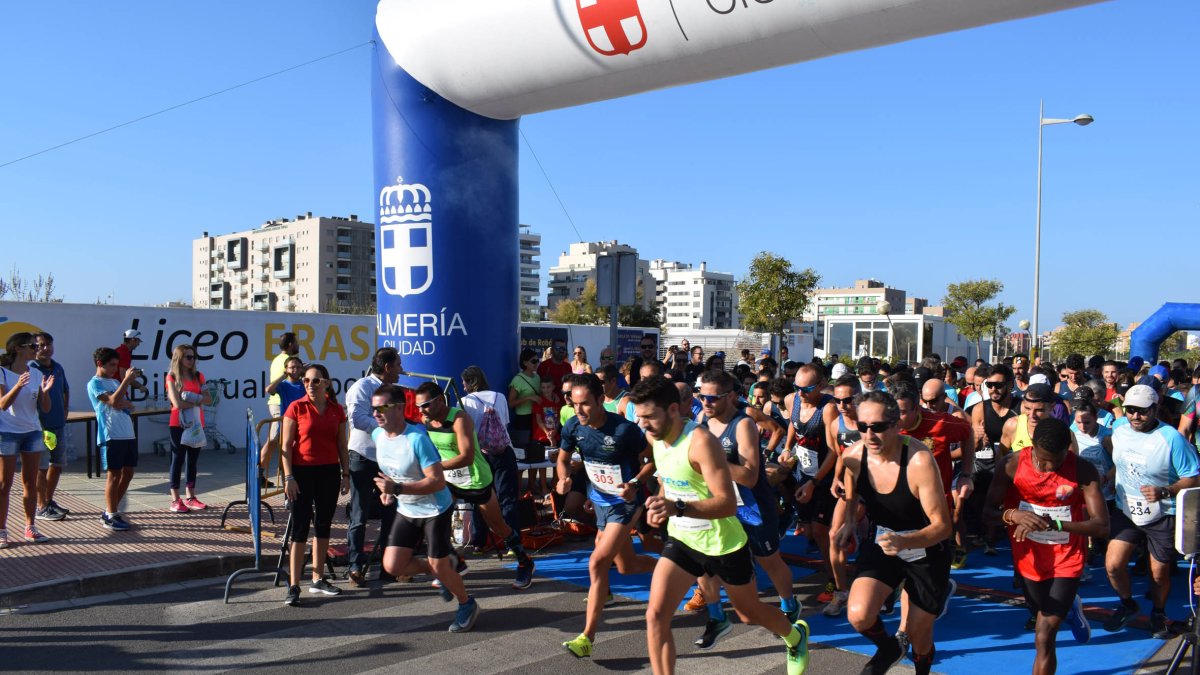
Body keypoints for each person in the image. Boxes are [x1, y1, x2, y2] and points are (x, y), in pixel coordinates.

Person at [634, 375, 810, 675]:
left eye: (650, 417)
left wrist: (677, 507)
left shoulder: (700, 442)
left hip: (723, 542)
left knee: (749, 613)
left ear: (674, 410)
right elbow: (667, 478)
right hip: (683, 540)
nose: (643, 425)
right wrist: (660, 502)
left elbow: (727, 503)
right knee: (656, 616)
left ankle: (795, 636)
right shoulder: (655, 437)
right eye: (639, 418)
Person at [832, 391, 951, 675]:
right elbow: (851, 495)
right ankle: (889, 647)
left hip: (927, 550)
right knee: (859, 614)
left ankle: (921, 666)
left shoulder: (918, 460)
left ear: (897, 425)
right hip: (884, 541)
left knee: (921, 638)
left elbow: (943, 527)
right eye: (862, 427)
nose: (869, 435)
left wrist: (905, 540)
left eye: (878, 427)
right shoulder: (853, 456)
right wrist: (849, 522)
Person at [985, 418, 1108, 674]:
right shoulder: (1011, 465)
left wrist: (1058, 525)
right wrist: (1013, 516)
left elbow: (1101, 526)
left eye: (1056, 461)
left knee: (1044, 634)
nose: (1048, 466)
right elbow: (986, 513)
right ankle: (1071, 606)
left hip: (1067, 558)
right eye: (1043, 460)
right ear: (1033, 446)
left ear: (1068, 449)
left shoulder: (1083, 470)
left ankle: (1065, 605)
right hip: (1028, 557)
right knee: (1039, 609)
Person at [692, 369, 799, 650]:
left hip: (750, 505)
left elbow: (750, 476)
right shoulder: (702, 420)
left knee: (769, 561)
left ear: (730, 397)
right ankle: (716, 616)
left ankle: (789, 605)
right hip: (719, 504)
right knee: (705, 561)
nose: (705, 402)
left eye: (712, 398)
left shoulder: (743, 424)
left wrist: (711, 462)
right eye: (702, 396)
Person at [559, 374, 658, 659]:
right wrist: (563, 479)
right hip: (600, 501)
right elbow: (563, 459)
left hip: (626, 503)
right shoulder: (573, 426)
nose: (579, 410)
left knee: (597, 561)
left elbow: (651, 459)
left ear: (601, 400)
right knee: (626, 566)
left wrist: (636, 484)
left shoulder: (624, 430)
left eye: (586, 404)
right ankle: (676, 566)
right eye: (574, 403)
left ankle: (587, 637)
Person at [371, 384, 480, 633]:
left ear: (399, 408)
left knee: (441, 565)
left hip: (435, 508)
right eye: (373, 408)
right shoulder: (378, 436)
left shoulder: (417, 438)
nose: (376, 413)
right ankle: (442, 569)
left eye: (382, 407)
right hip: (407, 508)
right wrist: (386, 492)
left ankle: (467, 603)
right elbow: (390, 472)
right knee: (393, 566)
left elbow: (437, 481)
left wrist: (396, 489)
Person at [415, 382, 536, 590]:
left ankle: (525, 561)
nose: (421, 411)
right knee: (436, 522)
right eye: (418, 406)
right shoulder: (426, 420)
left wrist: (434, 467)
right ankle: (456, 562)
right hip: (451, 480)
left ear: (440, 401)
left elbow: (467, 457)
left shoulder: (460, 419)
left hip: (476, 478)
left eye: (425, 405)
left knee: (499, 527)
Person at [1103, 384, 1200, 638]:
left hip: (1162, 514)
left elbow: (1194, 477)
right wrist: (1110, 475)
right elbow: (1120, 458)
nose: (1136, 416)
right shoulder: (1119, 428)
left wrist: (1165, 491)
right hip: (1127, 511)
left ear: (1155, 409)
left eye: (1142, 411)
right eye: (1131, 410)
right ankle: (1128, 605)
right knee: (1113, 565)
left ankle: (1158, 614)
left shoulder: (1171, 439)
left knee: (1158, 573)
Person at [279, 363, 350, 606]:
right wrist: (289, 478)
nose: (310, 385)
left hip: (329, 472)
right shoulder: (295, 408)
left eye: (316, 381)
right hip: (301, 474)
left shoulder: (336, 410)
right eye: (306, 381)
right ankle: (294, 585)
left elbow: (342, 445)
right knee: (299, 528)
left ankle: (318, 579)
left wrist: (346, 474)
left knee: (323, 526)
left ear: (327, 383)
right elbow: (285, 447)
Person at [342, 347, 403, 587]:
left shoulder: (395, 391)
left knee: (392, 513)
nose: (401, 370)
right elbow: (357, 418)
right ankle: (355, 566)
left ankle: (390, 567)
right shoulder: (361, 387)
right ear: (387, 367)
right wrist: (384, 429)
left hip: (389, 460)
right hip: (363, 458)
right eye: (398, 365)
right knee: (360, 514)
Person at [1, 333, 54, 545]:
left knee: (30, 483)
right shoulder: (3, 373)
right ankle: (2, 530)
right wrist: (18, 385)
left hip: (32, 431)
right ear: (17, 348)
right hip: (8, 432)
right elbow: (3, 404)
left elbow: (46, 408)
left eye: (37, 345)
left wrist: (46, 392)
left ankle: (30, 527)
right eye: (32, 346)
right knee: (4, 484)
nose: (37, 348)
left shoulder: (36, 372)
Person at [459, 365, 522, 537]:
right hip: (504, 451)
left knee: (482, 498)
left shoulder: (465, 402)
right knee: (508, 497)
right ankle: (512, 540)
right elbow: (505, 425)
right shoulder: (500, 397)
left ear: (470, 382)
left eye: (464, 383)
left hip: (480, 454)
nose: (463, 387)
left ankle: (481, 541)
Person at [86, 347, 138, 533]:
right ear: (100, 364)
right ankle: (111, 514)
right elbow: (115, 402)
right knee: (114, 475)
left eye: (117, 365)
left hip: (127, 433)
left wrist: (125, 399)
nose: (115, 368)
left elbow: (129, 405)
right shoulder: (95, 384)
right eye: (112, 365)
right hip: (111, 434)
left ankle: (111, 509)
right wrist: (126, 382)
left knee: (129, 472)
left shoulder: (115, 381)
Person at [969, 364, 1018, 555]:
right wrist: (978, 437)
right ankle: (986, 535)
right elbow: (972, 447)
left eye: (998, 385)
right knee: (979, 497)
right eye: (989, 385)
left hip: (1012, 459)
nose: (993, 390)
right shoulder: (980, 408)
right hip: (985, 460)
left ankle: (1002, 536)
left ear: (1010, 385)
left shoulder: (1019, 407)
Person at [164, 344, 212, 513]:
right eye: (188, 357)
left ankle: (190, 497)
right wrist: (196, 400)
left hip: (197, 423)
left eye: (193, 357)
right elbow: (176, 404)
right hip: (178, 424)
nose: (192, 360)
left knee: (192, 461)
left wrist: (191, 398)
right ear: (179, 358)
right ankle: (175, 500)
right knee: (177, 460)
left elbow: (208, 399)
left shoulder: (199, 376)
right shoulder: (171, 377)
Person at [32, 332, 70, 522]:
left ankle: (48, 500)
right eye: (41, 345)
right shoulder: (31, 368)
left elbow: (65, 390)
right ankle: (41, 506)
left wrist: (65, 410)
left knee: (56, 465)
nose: (46, 348)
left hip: (58, 425)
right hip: (40, 427)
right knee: (42, 467)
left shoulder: (58, 368)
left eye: (49, 344)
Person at [262, 355, 306, 484]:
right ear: (286, 369)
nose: (295, 370)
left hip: (303, 425)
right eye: (292, 367)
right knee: (285, 460)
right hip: (287, 425)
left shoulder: (305, 384)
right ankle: (288, 493)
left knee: (300, 460)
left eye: (298, 367)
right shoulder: (283, 385)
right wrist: (283, 375)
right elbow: (269, 389)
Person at [530, 378, 561, 496]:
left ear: (553, 387)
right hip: (541, 436)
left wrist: (555, 431)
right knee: (542, 464)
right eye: (543, 387)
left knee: (555, 461)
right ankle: (543, 487)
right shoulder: (539, 401)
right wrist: (547, 433)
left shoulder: (557, 400)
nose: (545, 390)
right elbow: (538, 419)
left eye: (548, 387)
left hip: (555, 435)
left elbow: (558, 418)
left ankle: (554, 483)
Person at [509, 347, 542, 450]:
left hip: (536, 416)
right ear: (525, 362)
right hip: (523, 418)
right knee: (525, 448)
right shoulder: (517, 379)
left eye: (537, 361)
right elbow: (511, 403)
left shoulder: (537, 377)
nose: (536, 364)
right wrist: (528, 398)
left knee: (536, 447)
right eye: (533, 361)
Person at [114, 329, 148, 394]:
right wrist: (140, 386)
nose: (138, 344)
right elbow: (124, 377)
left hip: (115, 390)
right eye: (138, 341)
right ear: (133, 340)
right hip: (117, 391)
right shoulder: (124, 353)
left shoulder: (119, 350)